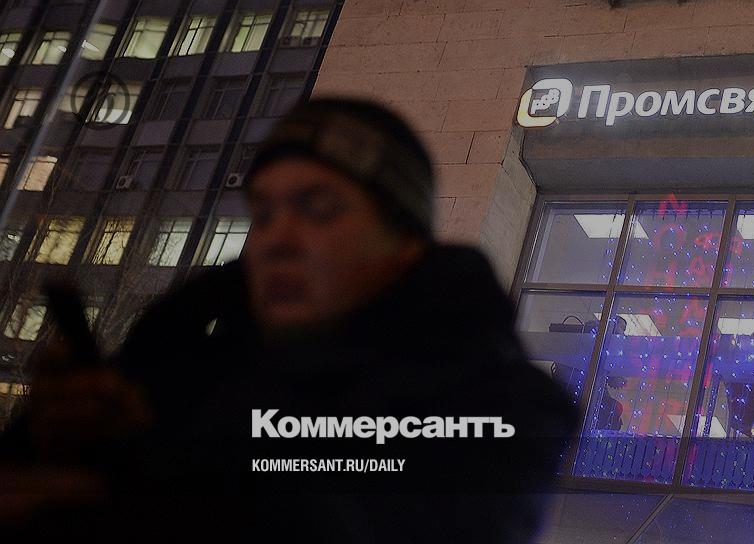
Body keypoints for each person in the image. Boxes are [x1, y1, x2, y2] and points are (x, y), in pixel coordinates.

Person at [0, 98, 579, 540]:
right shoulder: (203, 361)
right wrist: (62, 441)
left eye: (318, 209)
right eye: (264, 213)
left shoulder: (501, 406)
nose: (278, 239)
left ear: (404, 244)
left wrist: (142, 480)